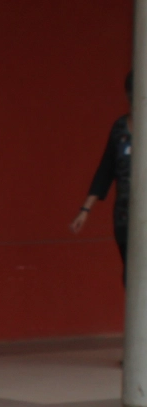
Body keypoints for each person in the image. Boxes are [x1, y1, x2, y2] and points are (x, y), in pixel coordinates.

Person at [71, 72, 135, 272]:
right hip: (125, 218)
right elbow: (105, 171)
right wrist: (85, 210)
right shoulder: (119, 129)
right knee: (131, 274)